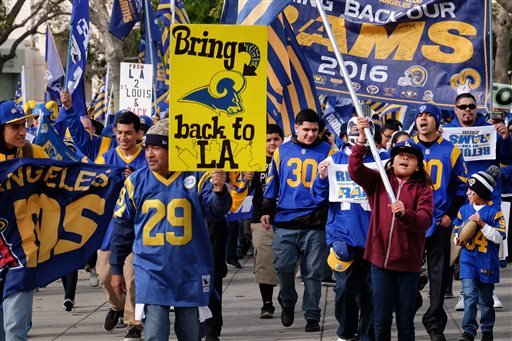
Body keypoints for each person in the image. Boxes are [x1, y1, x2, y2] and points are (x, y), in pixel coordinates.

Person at [109, 119, 232, 341]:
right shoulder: (136, 181)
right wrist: (116, 268)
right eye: (146, 148)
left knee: (189, 334)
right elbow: (122, 227)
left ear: (173, 149)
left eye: (156, 148)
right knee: (155, 333)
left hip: (190, 270)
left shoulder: (197, 176)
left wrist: (219, 189)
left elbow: (216, 210)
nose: (149, 154)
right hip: (151, 270)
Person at [61, 90, 147, 339]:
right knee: (105, 275)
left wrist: (137, 181)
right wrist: (68, 110)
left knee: (131, 276)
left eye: (128, 133)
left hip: (139, 227)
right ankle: (116, 307)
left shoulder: (148, 158)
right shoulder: (105, 156)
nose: (123, 137)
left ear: (138, 133)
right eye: (119, 133)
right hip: (110, 228)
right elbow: (79, 138)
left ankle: (134, 324)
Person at [348, 117, 434, 340]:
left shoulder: (424, 189)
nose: (405, 158)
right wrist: (361, 140)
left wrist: (406, 214)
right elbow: (355, 169)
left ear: (417, 165)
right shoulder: (379, 182)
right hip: (380, 262)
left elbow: (424, 220)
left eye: (411, 157)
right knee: (381, 318)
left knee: (405, 321)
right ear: (392, 160)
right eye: (400, 155)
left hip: (408, 264)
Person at [312, 116, 388, 341]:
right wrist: (322, 178)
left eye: (362, 130)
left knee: (373, 293)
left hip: (376, 236)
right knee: (344, 290)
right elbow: (319, 198)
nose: (358, 133)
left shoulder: (384, 158)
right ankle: (346, 331)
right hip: (344, 234)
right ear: (346, 133)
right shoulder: (334, 159)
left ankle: (368, 336)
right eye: (353, 129)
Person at [261, 109, 335, 333]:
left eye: (314, 130)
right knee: (282, 268)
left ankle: (312, 314)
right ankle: (288, 300)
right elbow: (273, 182)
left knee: (313, 272)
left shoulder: (329, 151)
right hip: (286, 219)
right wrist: (266, 208)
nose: (311, 134)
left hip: (315, 221)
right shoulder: (281, 151)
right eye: (306, 130)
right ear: (296, 128)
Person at [445, 93, 512, 312]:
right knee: (464, 243)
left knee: (490, 244)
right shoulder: (447, 131)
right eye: (462, 106)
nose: (467, 110)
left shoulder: (489, 127)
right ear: (455, 109)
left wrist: (503, 138)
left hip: (488, 198)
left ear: (476, 108)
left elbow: (507, 159)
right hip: (460, 197)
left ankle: (489, 290)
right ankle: (467, 291)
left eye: (471, 106)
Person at [412, 103, 468, 341]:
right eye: (419, 115)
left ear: (437, 121)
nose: (423, 119)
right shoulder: (404, 147)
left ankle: (435, 324)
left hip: (439, 221)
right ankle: (410, 304)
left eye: (428, 115)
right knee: (407, 272)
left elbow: (461, 187)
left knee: (439, 275)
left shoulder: (451, 151)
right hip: (410, 222)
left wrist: (450, 215)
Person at [0, 100, 47, 340]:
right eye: (14, 126)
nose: (22, 131)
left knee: (16, 328)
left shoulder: (33, 153)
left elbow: (64, 179)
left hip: (23, 250)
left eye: (24, 125)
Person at [453, 166, 506, 341]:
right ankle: (468, 331)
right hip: (468, 261)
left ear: (481, 191)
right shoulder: (464, 210)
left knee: (485, 300)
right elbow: (456, 233)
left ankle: (487, 330)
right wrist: (458, 239)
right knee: (469, 296)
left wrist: (482, 224)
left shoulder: (494, 211)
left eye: (471, 190)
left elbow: (499, 236)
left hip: (486, 261)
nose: (467, 193)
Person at [250, 124, 283, 318]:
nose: (272, 143)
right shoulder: (254, 161)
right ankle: (267, 303)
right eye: (268, 139)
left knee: (285, 264)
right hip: (260, 219)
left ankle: (286, 295)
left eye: (276, 139)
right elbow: (240, 190)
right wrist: (246, 179)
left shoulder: (288, 159)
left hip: (287, 217)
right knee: (264, 260)